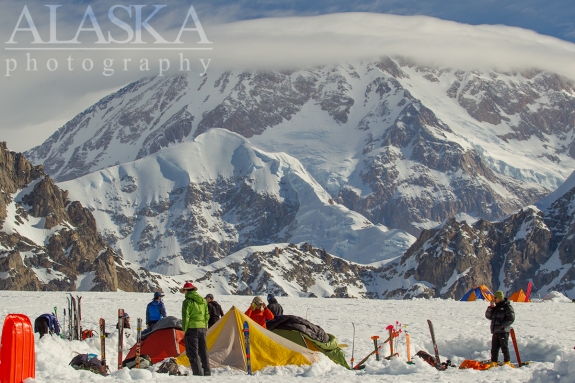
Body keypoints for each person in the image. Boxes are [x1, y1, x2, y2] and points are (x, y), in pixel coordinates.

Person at [181, 282, 211, 376]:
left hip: (192, 329)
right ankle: (207, 372)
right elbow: (207, 315)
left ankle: (198, 374)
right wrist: (204, 325)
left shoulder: (187, 302)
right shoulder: (203, 301)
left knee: (193, 352)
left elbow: (186, 316)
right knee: (203, 351)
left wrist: (184, 330)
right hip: (202, 328)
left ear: (186, 290)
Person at [485, 290, 515, 366]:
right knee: (494, 348)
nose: (494, 299)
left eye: (495, 298)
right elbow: (488, 316)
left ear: (500, 298)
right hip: (495, 331)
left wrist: (503, 325)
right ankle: (494, 362)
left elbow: (511, 318)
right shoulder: (496, 307)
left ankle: (507, 362)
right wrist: (491, 307)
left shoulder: (507, 307)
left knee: (504, 347)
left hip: (503, 331)